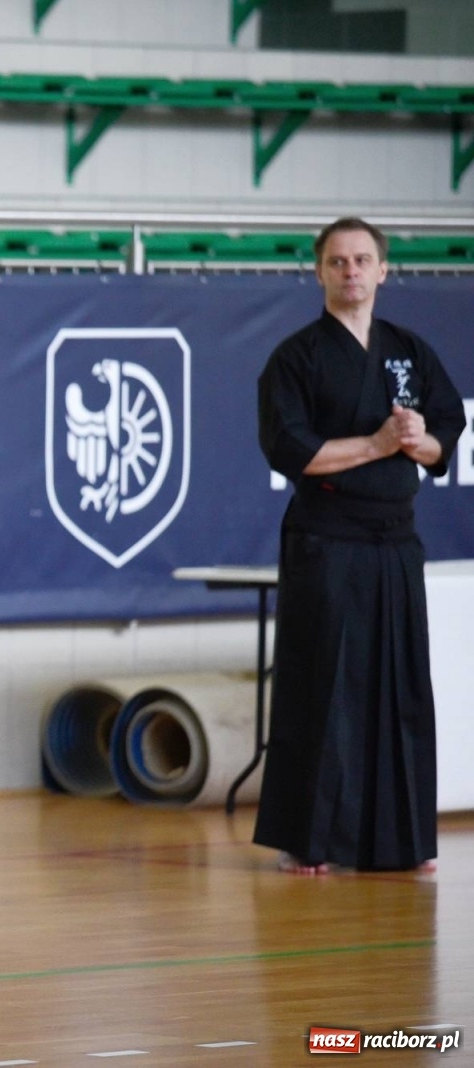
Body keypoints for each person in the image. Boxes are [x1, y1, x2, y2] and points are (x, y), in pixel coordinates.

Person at [255, 216, 465, 875]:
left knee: (400, 688)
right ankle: (309, 842)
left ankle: (402, 843)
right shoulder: (296, 357)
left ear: (383, 271)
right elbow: (292, 450)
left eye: (362, 260)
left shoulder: (409, 351)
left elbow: (442, 443)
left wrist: (414, 440)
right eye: (338, 261)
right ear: (318, 272)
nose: (351, 271)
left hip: (396, 539)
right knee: (323, 687)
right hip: (328, 539)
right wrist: (375, 445)